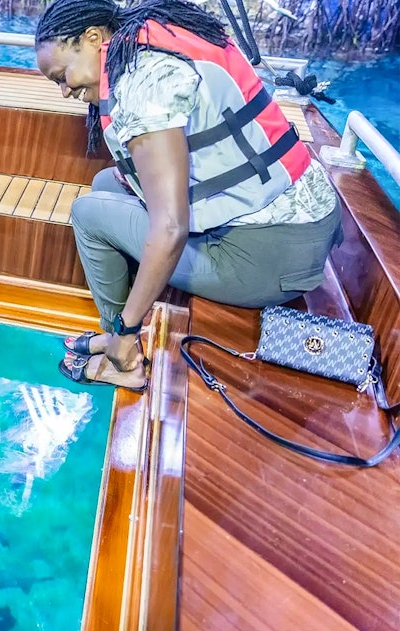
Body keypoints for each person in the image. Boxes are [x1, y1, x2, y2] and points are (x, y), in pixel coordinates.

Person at [34, 0, 342, 391]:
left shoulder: (144, 82)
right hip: (298, 226)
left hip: (267, 256)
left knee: (89, 213)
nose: (63, 92)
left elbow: (172, 228)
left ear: (94, 38)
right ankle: (122, 328)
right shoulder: (149, 44)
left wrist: (128, 328)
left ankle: (123, 349)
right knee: (105, 186)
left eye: (62, 75)